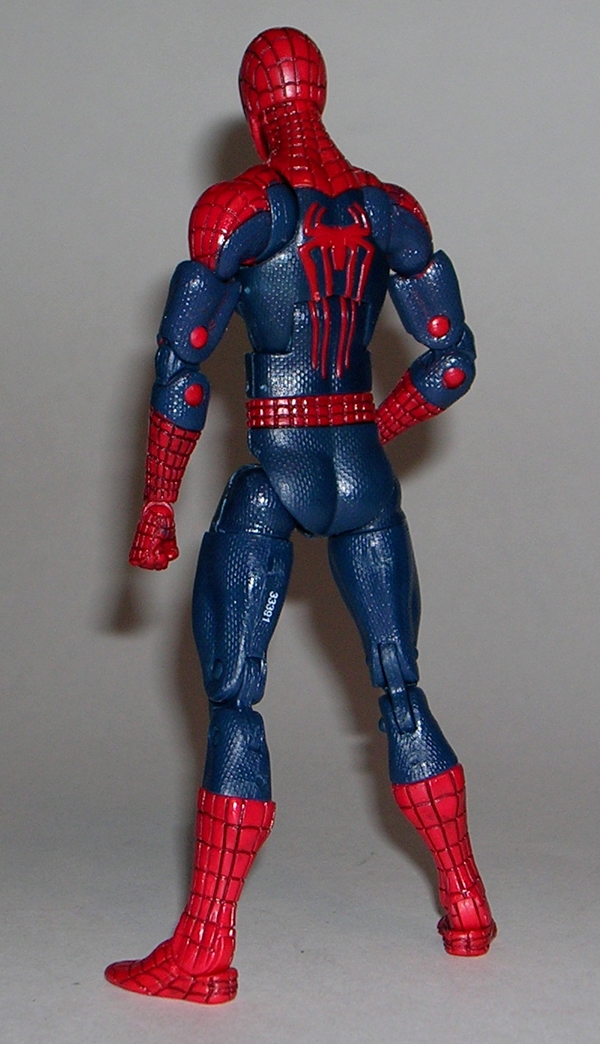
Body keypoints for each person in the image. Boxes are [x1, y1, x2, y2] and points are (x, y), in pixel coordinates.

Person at [105, 26, 496, 1005]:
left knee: (235, 702)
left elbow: (181, 372)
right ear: (318, 95)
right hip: (363, 478)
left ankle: (206, 947)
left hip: (275, 473)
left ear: (254, 107)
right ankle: (466, 904)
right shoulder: (387, 211)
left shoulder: (238, 211)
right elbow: (451, 360)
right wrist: (372, 427)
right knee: (400, 687)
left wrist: (156, 504)